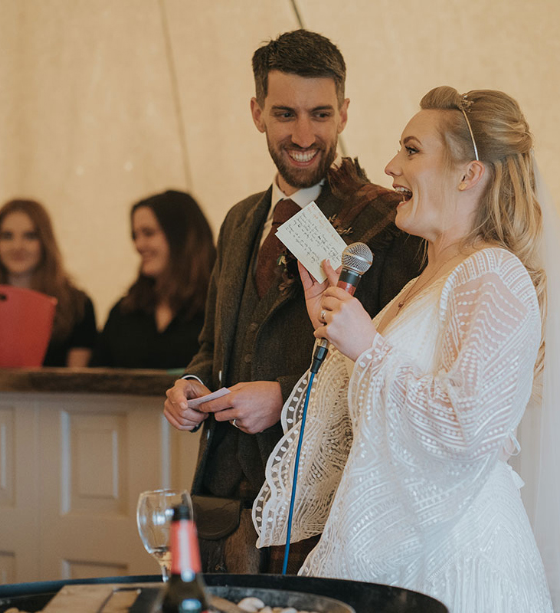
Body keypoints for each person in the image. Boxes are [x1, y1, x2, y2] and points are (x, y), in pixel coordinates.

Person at [254, 87, 560, 613]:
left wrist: (368, 346)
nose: (392, 167)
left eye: (412, 150)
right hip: (408, 550)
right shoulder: (425, 282)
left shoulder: (496, 273)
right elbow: (382, 415)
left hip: (459, 562)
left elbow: (469, 424)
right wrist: (335, 332)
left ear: (469, 174)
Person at [162, 29, 423, 574]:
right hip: (220, 509)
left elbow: (397, 371)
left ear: (345, 114)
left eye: (321, 115)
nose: (305, 134)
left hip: (316, 518)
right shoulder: (237, 220)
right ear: (257, 112)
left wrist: (282, 398)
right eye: (285, 114)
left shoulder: (388, 223)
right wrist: (190, 386)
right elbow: (214, 347)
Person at [91, 190, 215, 369]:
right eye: (135, 236)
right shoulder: (124, 312)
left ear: (183, 236)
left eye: (148, 233)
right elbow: (93, 383)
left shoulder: (218, 310)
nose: (138, 245)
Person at [0, 199, 96, 367]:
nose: (17, 246)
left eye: (30, 236)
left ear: (45, 242)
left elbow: (75, 383)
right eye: (7, 236)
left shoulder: (77, 305)